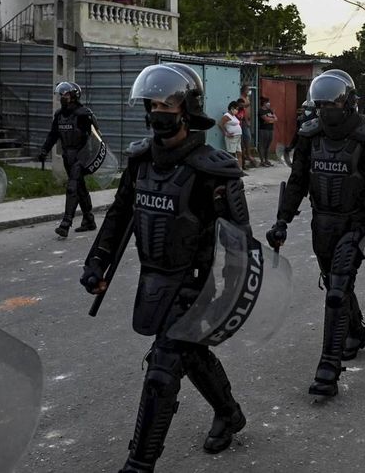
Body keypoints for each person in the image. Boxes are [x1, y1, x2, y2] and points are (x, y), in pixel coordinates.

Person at [81, 63, 252, 472]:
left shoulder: (213, 169)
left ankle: (139, 464)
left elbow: (241, 241)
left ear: (188, 108)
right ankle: (229, 412)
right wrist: (98, 261)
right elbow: (119, 216)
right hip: (155, 280)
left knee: (162, 369)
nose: (159, 110)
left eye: (168, 103)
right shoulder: (141, 162)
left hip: (198, 284)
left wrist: (231, 293)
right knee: (190, 356)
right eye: (154, 102)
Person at [266, 69, 365, 398]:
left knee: (336, 289)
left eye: (332, 103)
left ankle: (328, 368)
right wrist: (282, 221)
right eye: (321, 105)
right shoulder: (310, 136)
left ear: (348, 102)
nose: (326, 110)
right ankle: (355, 331)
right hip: (320, 226)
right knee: (337, 283)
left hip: (353, 223)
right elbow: (297, 183)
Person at [39, 82, 99, 238]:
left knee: (72, 187)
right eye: (61, 95)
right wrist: (45, 149)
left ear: (73, 96)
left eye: (65, 95)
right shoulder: (59, 115)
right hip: (68, 156)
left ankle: (66, 223)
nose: (62, 97)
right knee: (80, 189)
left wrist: (91, 157)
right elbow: (53, 134)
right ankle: (89, 220)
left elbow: (95, 137)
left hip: (81, 155)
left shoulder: (83, 114)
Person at [237, 86, 259, 169]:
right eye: (248, 90)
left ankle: (247, 156)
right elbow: (243, 111)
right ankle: (247, 156)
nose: (249, 91)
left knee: (247, 140)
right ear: (243, 90)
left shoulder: (247, 98)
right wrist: (246, 121)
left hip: (248, 121)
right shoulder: (241, 98)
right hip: (244, 122)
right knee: (246, 138)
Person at [219, 100, 244, 169]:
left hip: (238, 137)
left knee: (239, 153)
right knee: (231, 154)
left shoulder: (234, 116)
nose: (237, 110)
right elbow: (220, 124)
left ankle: (240, 168)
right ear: (232, 108)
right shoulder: (227, 116)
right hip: (232, 137)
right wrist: (226, 133)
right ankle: (232, 168)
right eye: (236, 109)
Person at [257, 96, 277, 166]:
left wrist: (270, 120)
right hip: (263, 129)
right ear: (264, 103)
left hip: (270, 129)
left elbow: (276, 119)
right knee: (262, 145)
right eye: (268, 102)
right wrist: (271, 120)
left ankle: (267, 160)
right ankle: (262, 161)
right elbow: (266, 119)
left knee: (268, 145)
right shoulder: (260, 111)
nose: (269, 103)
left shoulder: (270, 110)